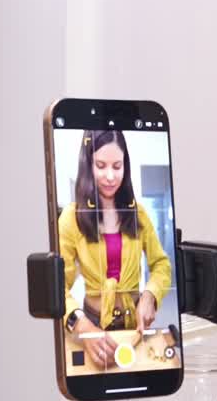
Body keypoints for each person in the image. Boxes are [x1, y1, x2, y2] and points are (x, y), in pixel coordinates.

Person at [57, 130, 171, 369]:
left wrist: (150, 295)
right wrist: (83, 327)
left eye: (117, 166)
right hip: (91, 323)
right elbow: (58, 287)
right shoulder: (71, 218)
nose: (110, 176)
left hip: (134, 326)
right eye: (100, 165)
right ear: (88, 166)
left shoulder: (137, 213)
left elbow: (161, 264)